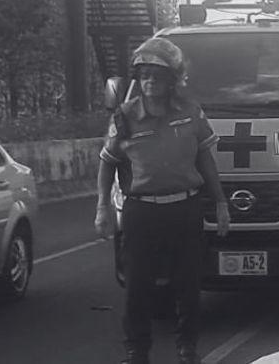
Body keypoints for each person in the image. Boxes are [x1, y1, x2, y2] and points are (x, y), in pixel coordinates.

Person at [94, 37, 231, 364]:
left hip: (185, 209)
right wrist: (102, 207)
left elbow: (205, 160)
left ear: (172, 80)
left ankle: (187, 348)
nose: (150, 82)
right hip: (141, 212)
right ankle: (137, 352)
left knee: (187, 284)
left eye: (158, 75)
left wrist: (221, 203)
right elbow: (107, 162)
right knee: (138, 287)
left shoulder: (190, 112)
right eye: (144, 75)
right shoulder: (124, 117)